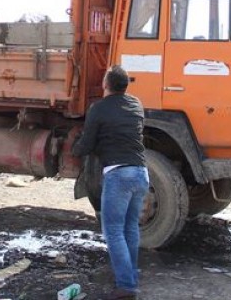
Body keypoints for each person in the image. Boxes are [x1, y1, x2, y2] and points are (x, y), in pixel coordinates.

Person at [73, 65, 148, 300]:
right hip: (141, 173)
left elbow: (87, 144)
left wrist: (73, 149)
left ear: (106, 84)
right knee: (130, 228)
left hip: (119, 174)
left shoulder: (99, 108)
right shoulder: (136, 104)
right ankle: (130, 277)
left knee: (113, 231)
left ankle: (126, 286)